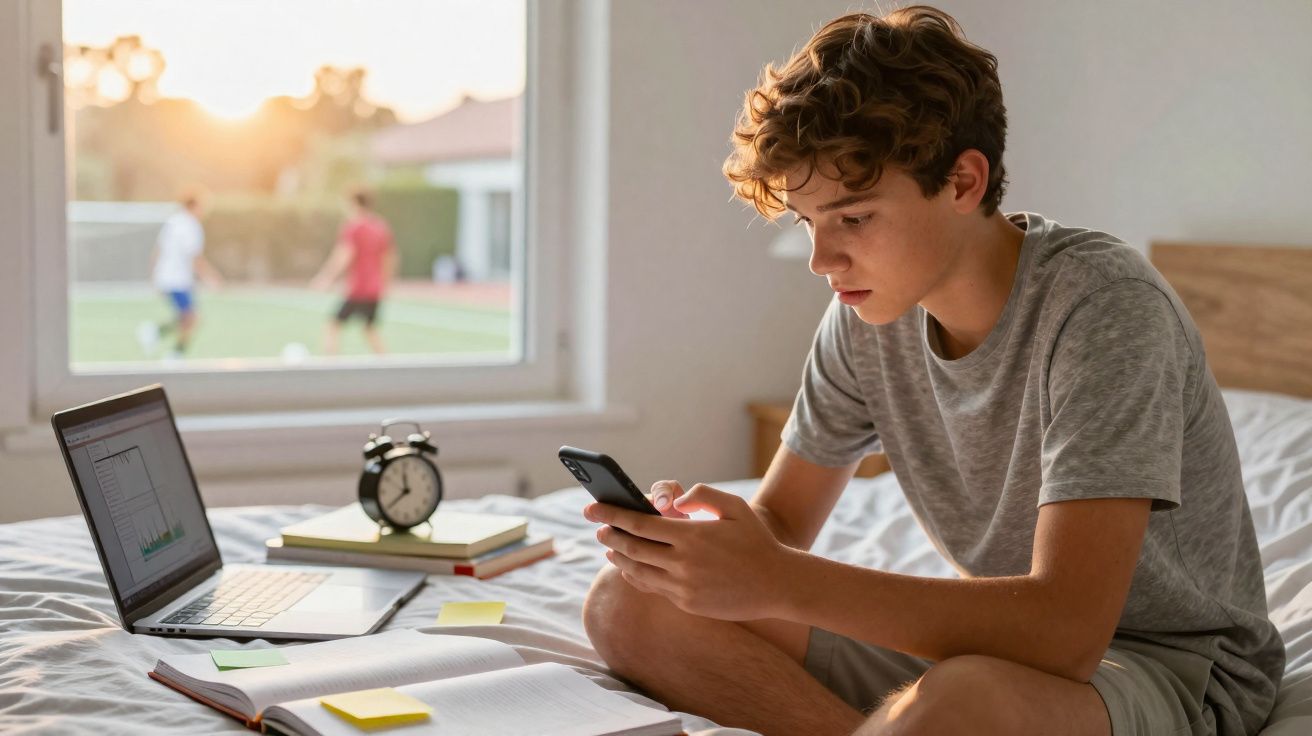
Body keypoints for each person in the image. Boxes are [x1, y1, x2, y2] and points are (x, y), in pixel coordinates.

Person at [580, 7, 1284, 736]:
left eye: (853, 219)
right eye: (807, 223)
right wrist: (706, 548)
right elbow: (784, 520)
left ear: (963, 182)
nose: (823, 261)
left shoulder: (1105, 309)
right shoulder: (864, 321)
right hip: (996, 648)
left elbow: (1068, 634)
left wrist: (780, 580)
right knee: (625, 602)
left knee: (961, 699)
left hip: (1165, 666)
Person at [310, 189, 397, 355]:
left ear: (354, 204)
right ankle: (387, 364)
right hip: (374, 288)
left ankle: (330, 366)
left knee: (333, 325)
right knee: (369, 329)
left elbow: (344, 255)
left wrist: (326, 278)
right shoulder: (380, 226)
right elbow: (390, 257)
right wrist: (386, 283)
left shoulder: (353, 227)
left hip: (358, 288)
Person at [138, 191, 223, 359]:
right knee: (192, 317)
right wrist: (211, 277)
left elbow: (158, 250)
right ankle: (175, 353)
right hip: (177, 280)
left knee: (188, 317)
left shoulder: (173, 222)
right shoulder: (191, 226)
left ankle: (156, 334)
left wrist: (154, 276)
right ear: (193, 206)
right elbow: (194, 257)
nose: (204, 211)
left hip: (167, 277)